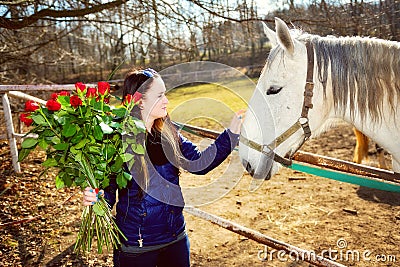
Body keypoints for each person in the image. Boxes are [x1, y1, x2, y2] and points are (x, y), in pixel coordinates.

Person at [83, 67, 244, 267]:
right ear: (140, 101)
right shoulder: (116, 140)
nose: (166, 100)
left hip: (175, 238)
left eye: (165, 94)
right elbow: (107, 192)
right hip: (137, 246)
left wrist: (230, 135)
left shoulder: (168, 132)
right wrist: (95, 198)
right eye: (160, 95)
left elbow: (199, 163)